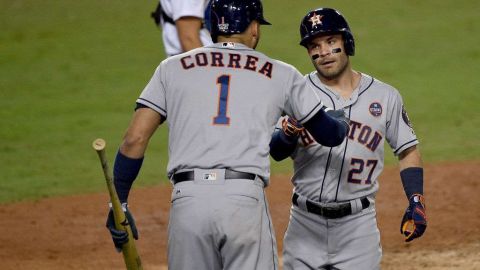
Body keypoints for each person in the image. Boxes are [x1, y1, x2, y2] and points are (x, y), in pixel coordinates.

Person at [106, 1, 350, 270]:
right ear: (254, 28)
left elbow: (134, 139)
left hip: (187, 201)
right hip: (242, 201)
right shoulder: (281, 73)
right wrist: (341, 122)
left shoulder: (170, 68)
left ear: (211, 28)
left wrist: (119, 202)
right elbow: (329, 135)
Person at [269, 7, 427, 270]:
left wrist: (416, 200)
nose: (323, 52)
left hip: (358, 229)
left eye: (331, 42)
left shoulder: (385, 97)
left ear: (346, 42)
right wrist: (286, 135)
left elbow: (408, 150)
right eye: (314, 46)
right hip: (304, 225)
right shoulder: (296, 93)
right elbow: (275, 151)